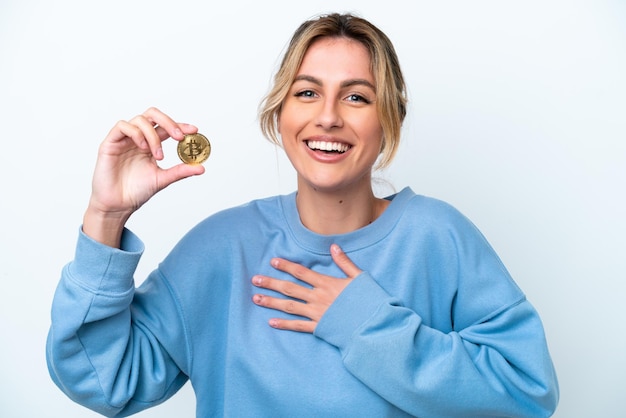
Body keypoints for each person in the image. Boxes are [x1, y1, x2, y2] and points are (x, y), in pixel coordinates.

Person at [46, 12, 559, 418]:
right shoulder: (221, 248)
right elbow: (104, 382)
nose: (329, 116)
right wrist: (105, 215)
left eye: (357, 96)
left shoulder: (438, 237)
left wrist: (363, 323)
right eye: (307, 92)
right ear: (280, 114)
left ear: (389, 120)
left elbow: (526, 392)